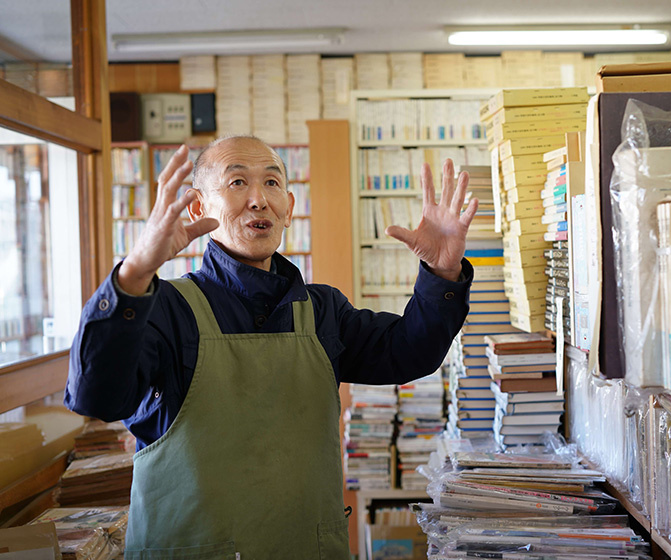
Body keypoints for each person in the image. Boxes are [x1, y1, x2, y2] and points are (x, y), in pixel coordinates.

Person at [65, 136, 479, 559]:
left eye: (272, 183)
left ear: (290, 207)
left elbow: (411, 351)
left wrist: (442, 273)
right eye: (238, 182)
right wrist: (134, 273)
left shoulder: (322, 311)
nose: (259, 200)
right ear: (197, 207)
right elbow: (95, 396)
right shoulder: (165, 308)